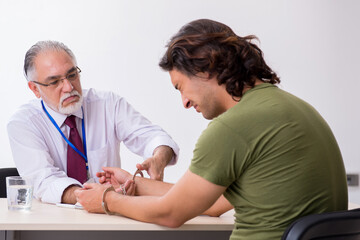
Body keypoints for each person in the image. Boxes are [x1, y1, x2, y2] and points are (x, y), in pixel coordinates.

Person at [74, 19, 348, 239]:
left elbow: (171, 214)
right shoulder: (293, 107)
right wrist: (133, 183)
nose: (183, 102)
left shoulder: (232, 128)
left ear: (206, 68)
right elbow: (213, 204)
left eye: (180, 87)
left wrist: (107, 200)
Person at [7, 40, 179, 205]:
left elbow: (152, 137)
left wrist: (158, 158)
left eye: (72, 75)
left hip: (109, 217)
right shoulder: (23, 123)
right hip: (53, 222)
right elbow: (43, 179)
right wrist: (92, 196)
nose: (68, 87)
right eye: (54, 82)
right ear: (35, 89)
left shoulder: (108, 104)